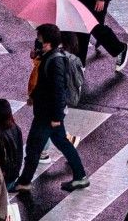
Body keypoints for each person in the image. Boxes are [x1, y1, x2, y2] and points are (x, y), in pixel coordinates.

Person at [11, 24, 90, 193]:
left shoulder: (55, 62)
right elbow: (44, 84)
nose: (37, 42)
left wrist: (56, 117)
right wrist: (34, 96)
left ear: (47, 43)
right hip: (48, 112)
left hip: (47, 115)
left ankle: (24, 182)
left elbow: (58, 91)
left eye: (39, 39)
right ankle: (80, 176)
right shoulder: (50, 56)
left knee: (33, 147)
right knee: (62, 142)